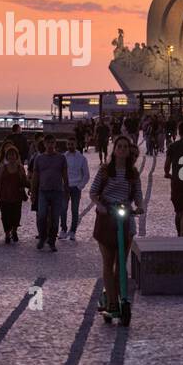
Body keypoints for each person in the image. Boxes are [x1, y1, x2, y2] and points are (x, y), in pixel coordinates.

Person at [88, 135, 145, 319]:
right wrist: (101, 206)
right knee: (108, 262)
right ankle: (112, 301)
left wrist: (140, 206)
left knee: (121, 263)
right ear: (114, 149)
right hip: (107, 219)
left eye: (125, 147)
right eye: (119, 146)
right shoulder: (105, 171)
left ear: (128, 151)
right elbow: (93, 192)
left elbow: (137, 193)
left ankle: (121, 297)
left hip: (125, 218)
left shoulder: (133, 173)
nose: (121, 149)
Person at [32, 137, 70, 252]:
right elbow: (35, 176)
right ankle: (42, 237)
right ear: (44, 143)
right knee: (42, 215)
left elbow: (65, 175)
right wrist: (33, 191)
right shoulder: (39, 158)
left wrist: (67, 191)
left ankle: (52, 241)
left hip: (57, 191)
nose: (50, 145)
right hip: (43, 191)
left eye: (52, 142)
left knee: (55, 218)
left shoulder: (61, 158)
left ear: (55, 143)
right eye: (48, 142)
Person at [0, 145, 28, 244]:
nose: (11, 157)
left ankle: (14, 231)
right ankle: (7, 234)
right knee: (5, 216)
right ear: (6, 156)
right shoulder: (3, 168)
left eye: (13, 154)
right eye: (9, 155)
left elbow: (24, 180)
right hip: (4, 196)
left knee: (16, 215)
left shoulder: (20, 168)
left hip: (16, 196)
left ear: (16, 156)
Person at [60, 138, 91, 242]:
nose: (70, 146)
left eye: (72, 144)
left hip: (76, 187)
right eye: (68, 144)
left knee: (74, 210)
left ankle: (73, 231)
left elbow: (86, 175)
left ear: (76, 144)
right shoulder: (63, 157)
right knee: (63, 209)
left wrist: (80, 186)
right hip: (65, 187)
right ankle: (63, 229)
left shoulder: (82, 158)